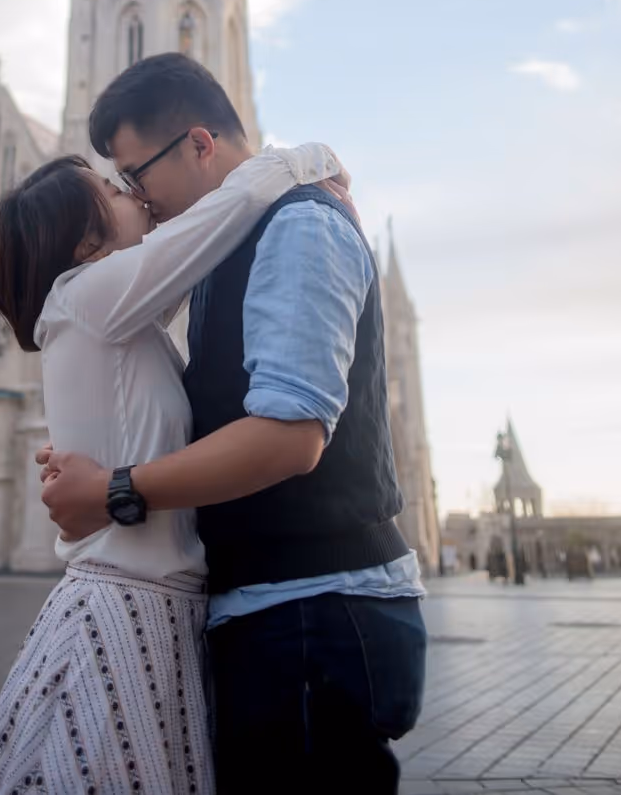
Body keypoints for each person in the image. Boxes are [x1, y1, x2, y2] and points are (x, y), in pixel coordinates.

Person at [40, 54, 427, 794]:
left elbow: (290, 435)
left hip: (317, 607)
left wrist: (116, 489)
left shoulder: (299, 226)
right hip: (278, 607)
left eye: (135, 176)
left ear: (198, 144)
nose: (139, 202)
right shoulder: (226, 243)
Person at [0, 138, 342, 795]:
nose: (133, 191)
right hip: (123, 607)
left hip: (149, 605)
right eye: (114, 190)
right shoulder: (87, 296)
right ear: (85, 245)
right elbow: (221, 218)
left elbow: (194, 256)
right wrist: (310, 158)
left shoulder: (109, 313)